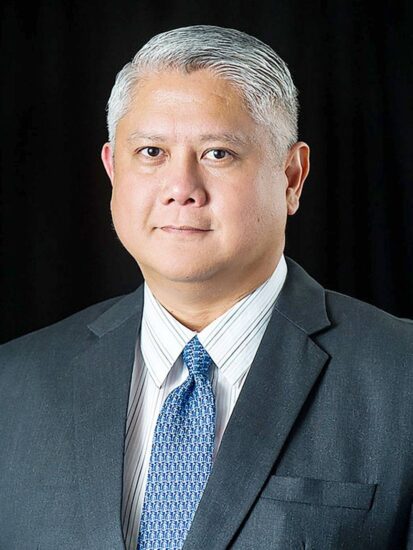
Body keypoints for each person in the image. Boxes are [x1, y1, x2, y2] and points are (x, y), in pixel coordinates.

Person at [0, 24, 412, 550]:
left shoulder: (402, 379)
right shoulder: (13, 386)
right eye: (151, 152)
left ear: (292, 177)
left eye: (218, 153)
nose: (181, 189)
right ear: (112, 171)